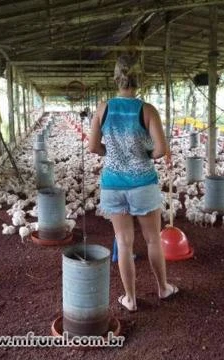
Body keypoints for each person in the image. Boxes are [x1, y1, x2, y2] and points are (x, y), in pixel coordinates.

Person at [89, 55, 178, 312]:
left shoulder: (102, 108)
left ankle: (130, 298)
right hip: (143, 184)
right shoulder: (147, 110)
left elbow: (93, 146)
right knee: (153, 240)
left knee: (124, 242)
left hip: (113, 185)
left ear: (116, 78)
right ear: (140, 79)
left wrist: (113, 155)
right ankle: (163, 288)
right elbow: (161, 150)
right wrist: (146, 155)